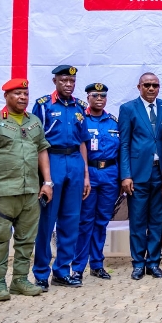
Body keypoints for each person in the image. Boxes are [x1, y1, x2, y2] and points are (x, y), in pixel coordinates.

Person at [0, 78, 53, 301]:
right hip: (3, 191)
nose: (23, 97)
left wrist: (47, 182)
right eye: (17, 93)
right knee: (0, 238)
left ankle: (20, 280)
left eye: (25, 93)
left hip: (30, 191)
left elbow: (42, 151)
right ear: (6, 96)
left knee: (26, 240)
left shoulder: (34, 122)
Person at [31, 65, 91, 291]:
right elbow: (37, 142)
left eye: (72, 81)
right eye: (64, 80)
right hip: (52, 160)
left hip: (75, 161)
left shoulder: (80, 107)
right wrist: (45, 178)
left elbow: (83, 141)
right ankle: (40, 273)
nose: (68, 84)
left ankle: (62, 271)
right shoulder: (43, 105)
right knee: (47, 221)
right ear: (55, 81)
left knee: (71, 220)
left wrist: (85, 175)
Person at [119, 72, 162, 280]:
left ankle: (153, 263)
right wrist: (126, 175)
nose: (151, 88)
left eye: (155, 85)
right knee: (138, 221)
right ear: (139, 87)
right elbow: (124, 144)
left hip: (160, 174)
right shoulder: (128, 109)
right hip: (137, 174)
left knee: (157, 221)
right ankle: (137, 263)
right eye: (147, 85)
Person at [73, 82, 121, 280]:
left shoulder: (113, 122)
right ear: (88, 98)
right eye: (95, 96)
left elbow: (120, 151)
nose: (99, 99)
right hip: (89, 174)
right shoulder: (81, 120)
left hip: (110, 175)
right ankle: (78, 267)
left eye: (103, 96)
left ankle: (97, 264)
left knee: (102, 221)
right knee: (85, 221)